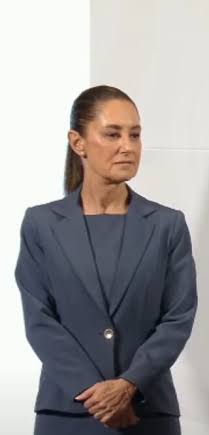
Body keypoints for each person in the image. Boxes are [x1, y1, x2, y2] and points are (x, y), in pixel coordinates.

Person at [15, 85, 197, 434]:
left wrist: (130, 384)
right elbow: (39, 319)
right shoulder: (41, 224)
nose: (128, 146)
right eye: (113, 134)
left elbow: (178, 318)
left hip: (146, 412)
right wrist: (95, 394)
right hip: (68, 413)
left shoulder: (167, 225)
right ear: (77, 142)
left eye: (135, 135)